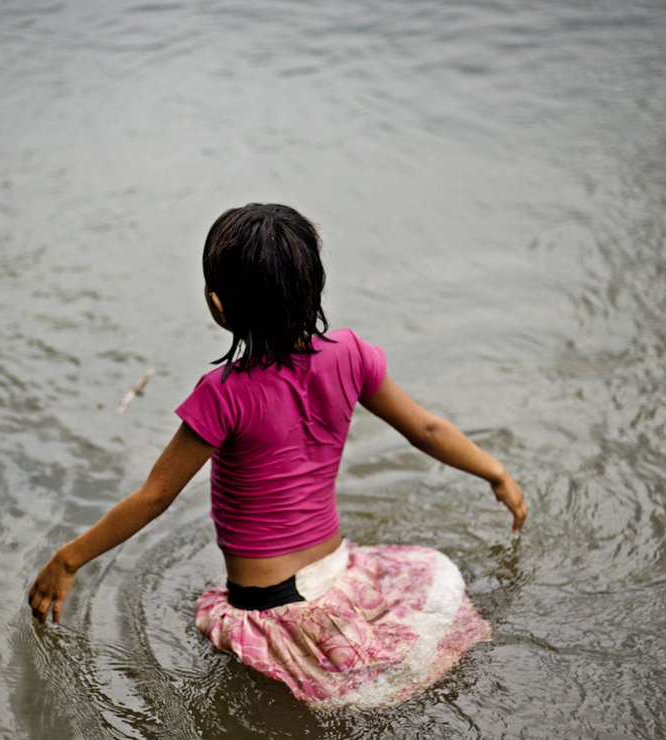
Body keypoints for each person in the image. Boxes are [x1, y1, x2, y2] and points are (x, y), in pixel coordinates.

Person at [28, 203, 526, 709]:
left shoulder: (220, 394)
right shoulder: (351, 353)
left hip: (270, 608)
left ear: (218, 304)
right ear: (314, 286)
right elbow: (425, 428)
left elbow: (155, 497)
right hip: (340, 571)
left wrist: (69, 560)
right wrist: (496, 472)